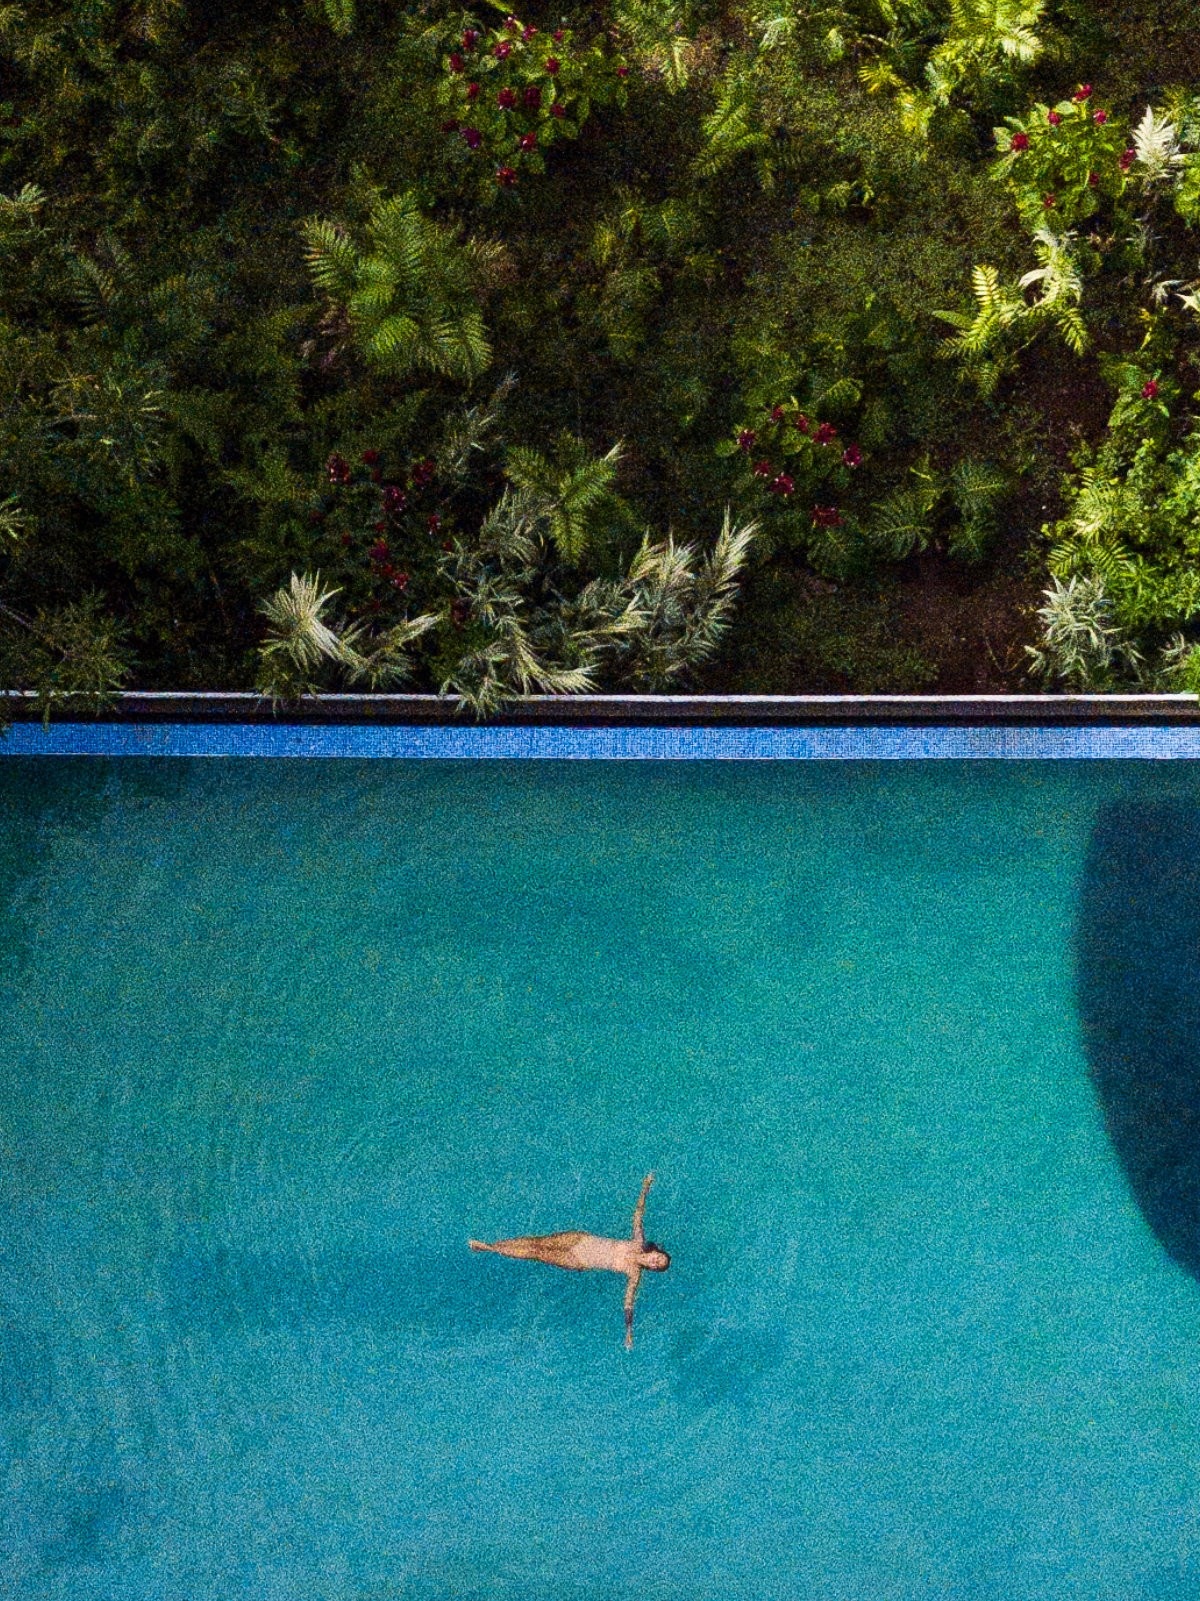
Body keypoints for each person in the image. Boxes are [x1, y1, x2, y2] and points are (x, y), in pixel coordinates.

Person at [469, 1172, 669, 1350]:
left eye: (657, 1265)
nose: (655, 1260)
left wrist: (628, 1332)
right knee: (538, 1241)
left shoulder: (634, 1273)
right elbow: (638, 1214)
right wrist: (645, 1186)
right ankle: (492, 1246)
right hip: (582, 1239)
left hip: (578, 1259)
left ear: (652, 1268)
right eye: (659, 1257)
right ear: (655, 1252)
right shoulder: (638, 1241)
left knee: (536, 1253)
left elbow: (628, 1302)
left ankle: (488, 1248)